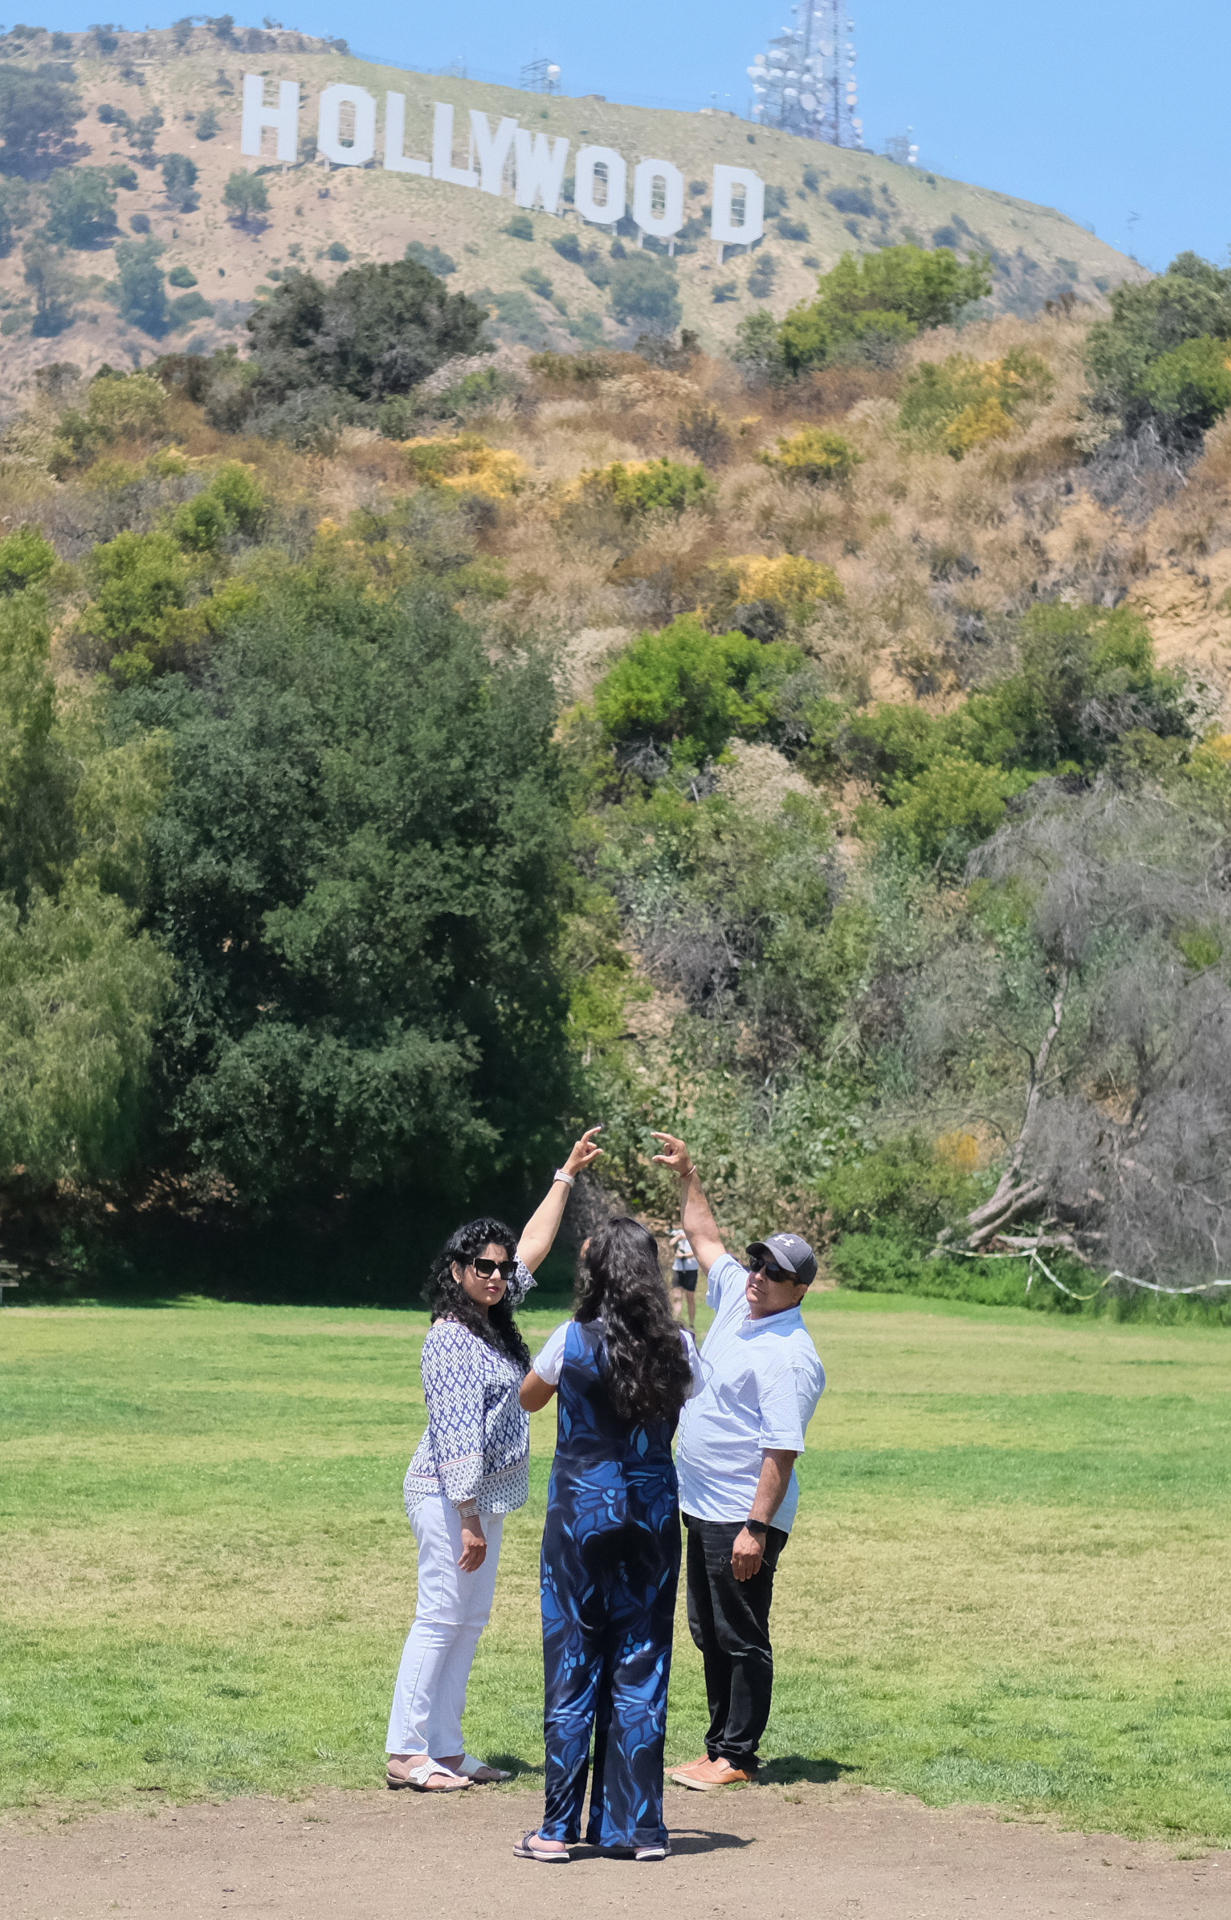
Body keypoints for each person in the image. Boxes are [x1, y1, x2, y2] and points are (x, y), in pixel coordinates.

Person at [385, 1127, 603, 1794]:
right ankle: (405, 1751)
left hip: (485, 1500)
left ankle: (446, 1748)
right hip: (452, 1497)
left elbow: (530, 1245)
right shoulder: (450, 1338)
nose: (495, 1277)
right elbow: (455, 1438)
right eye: (481, 1267)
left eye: (499, 1269)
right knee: (440, 1613)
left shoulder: (494, 1315)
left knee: (469, 1620)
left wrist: (563, 1174)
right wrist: (469, 1517)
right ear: (454, 1270)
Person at [513, 1217, 705, 1862]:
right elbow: (692, 1394)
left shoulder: (570, 1338)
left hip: (580, 1516)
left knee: (573, 1662)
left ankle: (557, 1830)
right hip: (651, 1511)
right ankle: (638, 1829)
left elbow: (529, 1400)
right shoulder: (679, 1343)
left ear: (596, 1274)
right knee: (643, 1661)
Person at [650, 1130, 826, 1792]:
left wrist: (756, 1528)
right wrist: (689, 1175)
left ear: (799, 1289)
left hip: (741, 1513)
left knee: (741, 1632)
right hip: (703, 1504)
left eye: (775, 1274)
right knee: (707, 1629)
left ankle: (737, 1755)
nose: (756, 1277)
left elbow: (780, 1451)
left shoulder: (789, 1355)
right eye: (757, 1265)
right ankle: (717, 1747)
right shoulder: (738, 1304)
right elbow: (706, 1242)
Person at [668, 1226, 699, 1328]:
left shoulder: (694, 1232)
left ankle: (691, 1324)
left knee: (690, 1297)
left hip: (691, 1269)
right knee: (677, 1296)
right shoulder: (678, 1233)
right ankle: (676, 1321)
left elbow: (697, 1250)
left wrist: (684, 1256)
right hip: (678, 1268)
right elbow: (671, 1243)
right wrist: (679, 1237)